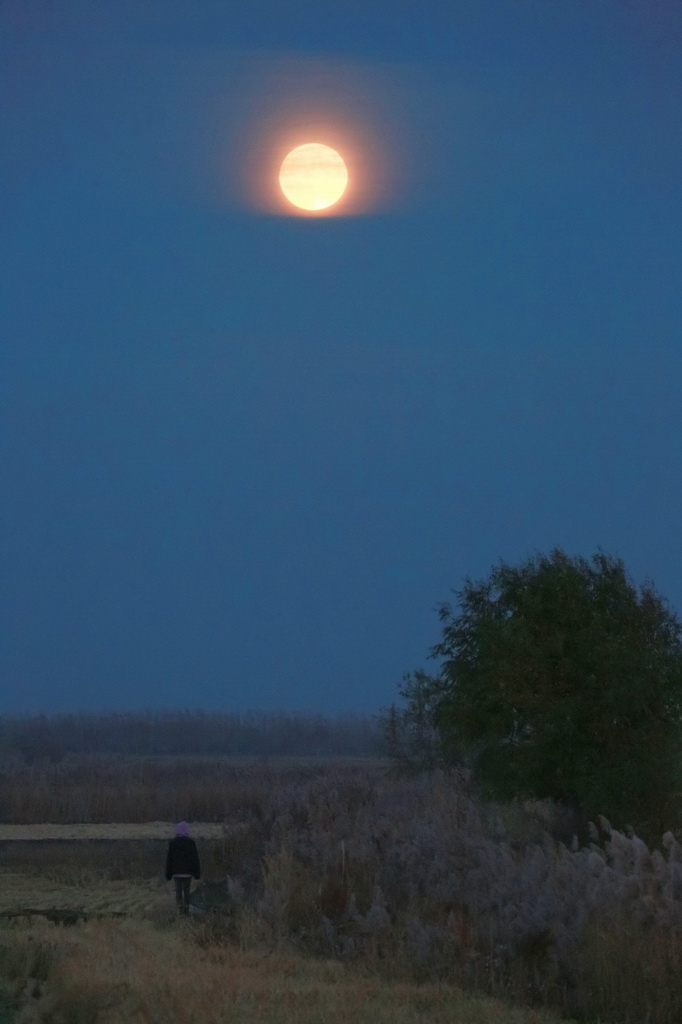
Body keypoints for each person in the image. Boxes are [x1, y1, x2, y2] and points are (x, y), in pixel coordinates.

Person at [165, 821, 201, 913]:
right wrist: (197, 874)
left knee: (178, 892)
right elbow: (195, 859)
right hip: (188, 873)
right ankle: (186, 910)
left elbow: (169, 859)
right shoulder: (191, 843)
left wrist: (168, 874)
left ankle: (179, 910)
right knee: (187, 892)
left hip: (176, 872)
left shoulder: (173, 843)